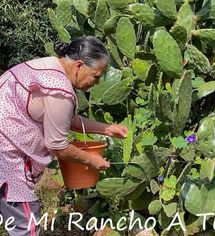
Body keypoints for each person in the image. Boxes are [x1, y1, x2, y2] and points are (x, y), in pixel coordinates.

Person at [0, 36, 128, 236]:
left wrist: (107, 128)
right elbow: (57, 145)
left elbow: (66, 119)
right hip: (8, 158)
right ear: (79, 65)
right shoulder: (59, 89)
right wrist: (92, 160)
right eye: (96, 76)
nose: (97, 83)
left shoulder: (47, 66)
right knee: (26, 228)